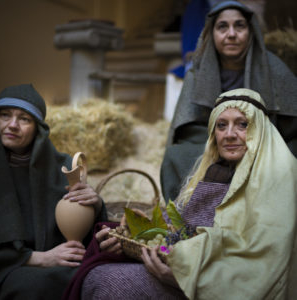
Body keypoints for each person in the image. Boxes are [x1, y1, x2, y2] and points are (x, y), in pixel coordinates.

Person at [62, 88, 297, 300]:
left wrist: (181, 276)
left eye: (242, 125)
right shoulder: (218, 171)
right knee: (97, 270)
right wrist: (140, 234)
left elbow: (261, 261)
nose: (230, 134)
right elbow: (186, 231)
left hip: (217, 284)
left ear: (261, 130)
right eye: (221, 125)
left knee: (107, 283)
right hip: (184, 265)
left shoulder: (277, 177)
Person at [161, 0, 297, 202]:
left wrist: (256, 142)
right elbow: (188, 130)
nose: (231, 34)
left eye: (239, 26)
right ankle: (195, 220)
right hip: (214, 148)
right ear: (211, 33)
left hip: (266, 148)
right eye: (222, 27)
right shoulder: (197, 73)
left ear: (251, 32)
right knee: (175, 157)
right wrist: (221, 144)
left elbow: (291, 126)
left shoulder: (274, 69)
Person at [0, 84, 107, 300]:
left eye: (24, 119)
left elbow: (86, 233)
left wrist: (95, 204)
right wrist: (39, 258)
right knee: (35, 286)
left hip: (63, 263)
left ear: (38, 128)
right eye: (4, 115)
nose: (12, 125)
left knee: (98, 278)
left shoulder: (64, 166)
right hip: (8, 269)